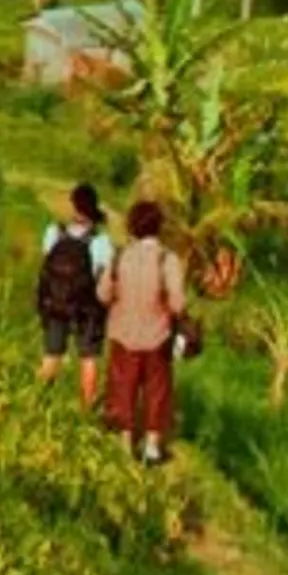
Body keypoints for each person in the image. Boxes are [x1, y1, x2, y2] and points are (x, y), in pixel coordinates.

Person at [99, 198, 189, 463]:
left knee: (122, 388)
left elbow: (103, 294)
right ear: (158, 227)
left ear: (132, 227)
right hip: (157, 336)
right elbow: (177, 303)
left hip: (123, 334)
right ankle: (151, 445)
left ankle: (125, 441)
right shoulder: (167, 259)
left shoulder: (120, 257)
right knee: (157, 391)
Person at [35, 182, 115, 403]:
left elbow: (45, 266)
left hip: (56, 304)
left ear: (74, 207)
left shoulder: (54, 233)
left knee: (51, 355)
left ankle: (37, 400)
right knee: (88, 359)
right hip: (87, 309)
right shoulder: (101, 241)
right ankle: (86, 409)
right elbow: (103, 281)